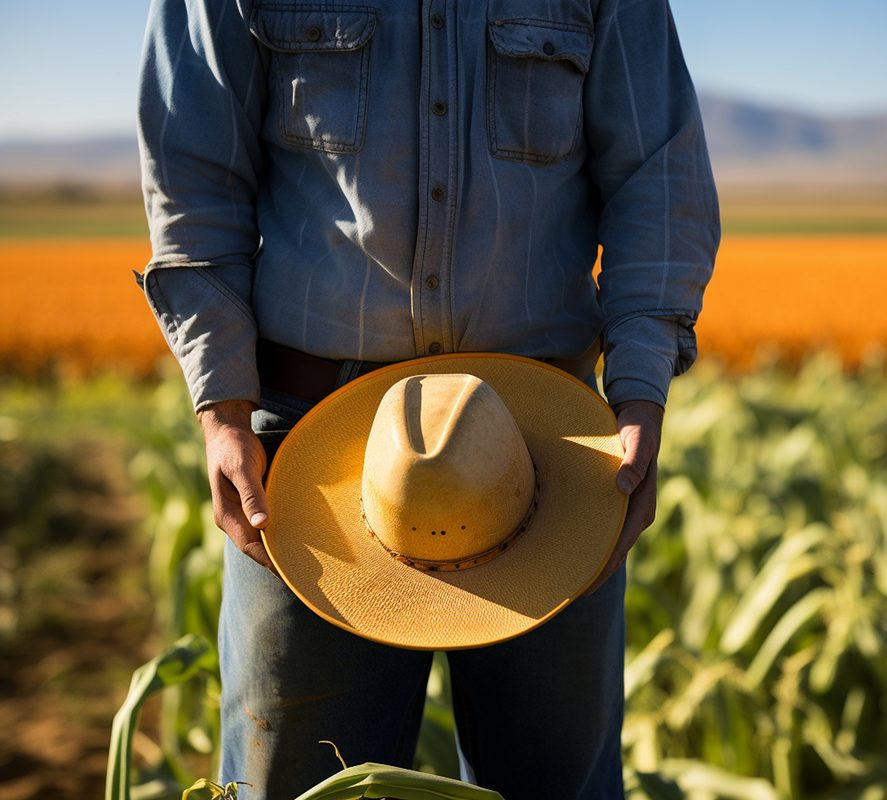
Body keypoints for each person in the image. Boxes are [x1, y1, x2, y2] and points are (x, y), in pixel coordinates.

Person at [136, 0, 719, 798]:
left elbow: (658, 173)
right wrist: (224, 412)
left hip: (549, 450)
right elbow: (193, 176)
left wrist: (641, 391)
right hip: (305, 456)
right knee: (299, 788)